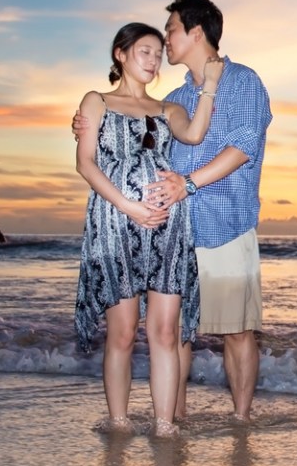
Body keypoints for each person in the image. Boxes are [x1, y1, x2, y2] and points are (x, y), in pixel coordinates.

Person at [75, 0, 272, 422]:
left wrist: (187, 184)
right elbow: (138, 144)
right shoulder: (177, 97)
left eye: (170, 30)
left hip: (225, 224)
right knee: (174, 333)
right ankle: (175, 421)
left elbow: (242, 147)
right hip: (172, 232)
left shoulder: (243, 81)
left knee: (236, 329)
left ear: (195, 33)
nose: (165, 41)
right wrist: (89, 123)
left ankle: (240, 421)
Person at [74, 22, 222, 437]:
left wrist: (208, 84)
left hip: (167, 226)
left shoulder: (167, 109)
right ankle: (119, 422)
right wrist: (128, 206)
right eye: (144, 51)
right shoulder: (95, 101)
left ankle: (163, 425)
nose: (154, 60)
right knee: (121, 334)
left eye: (158, 53)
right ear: (120, 53)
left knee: (163, 330)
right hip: (116, 222)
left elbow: (194, 133)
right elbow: (86, 163)